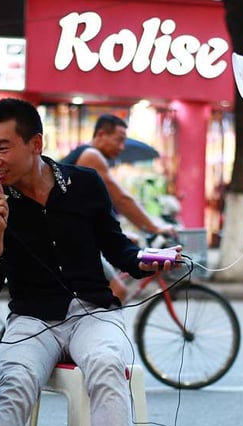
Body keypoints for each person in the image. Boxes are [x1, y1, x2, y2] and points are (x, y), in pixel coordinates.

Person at [0, 98, 177, 426]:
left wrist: (146, 258)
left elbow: (117, 248)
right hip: (32, 319)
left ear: (36, 144)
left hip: (93, 313)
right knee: (15, 384)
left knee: (107, 365)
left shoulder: (85, 185)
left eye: (3, 147)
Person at [61, 114, 175, 300]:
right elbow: (122, 199)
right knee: (117, 291)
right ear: (101, 134)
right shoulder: (91, 156)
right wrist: (155, 227)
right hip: (70, 241)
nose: (121, 147)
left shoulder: (85, 154)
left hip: (75, 236)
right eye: (119, 140)